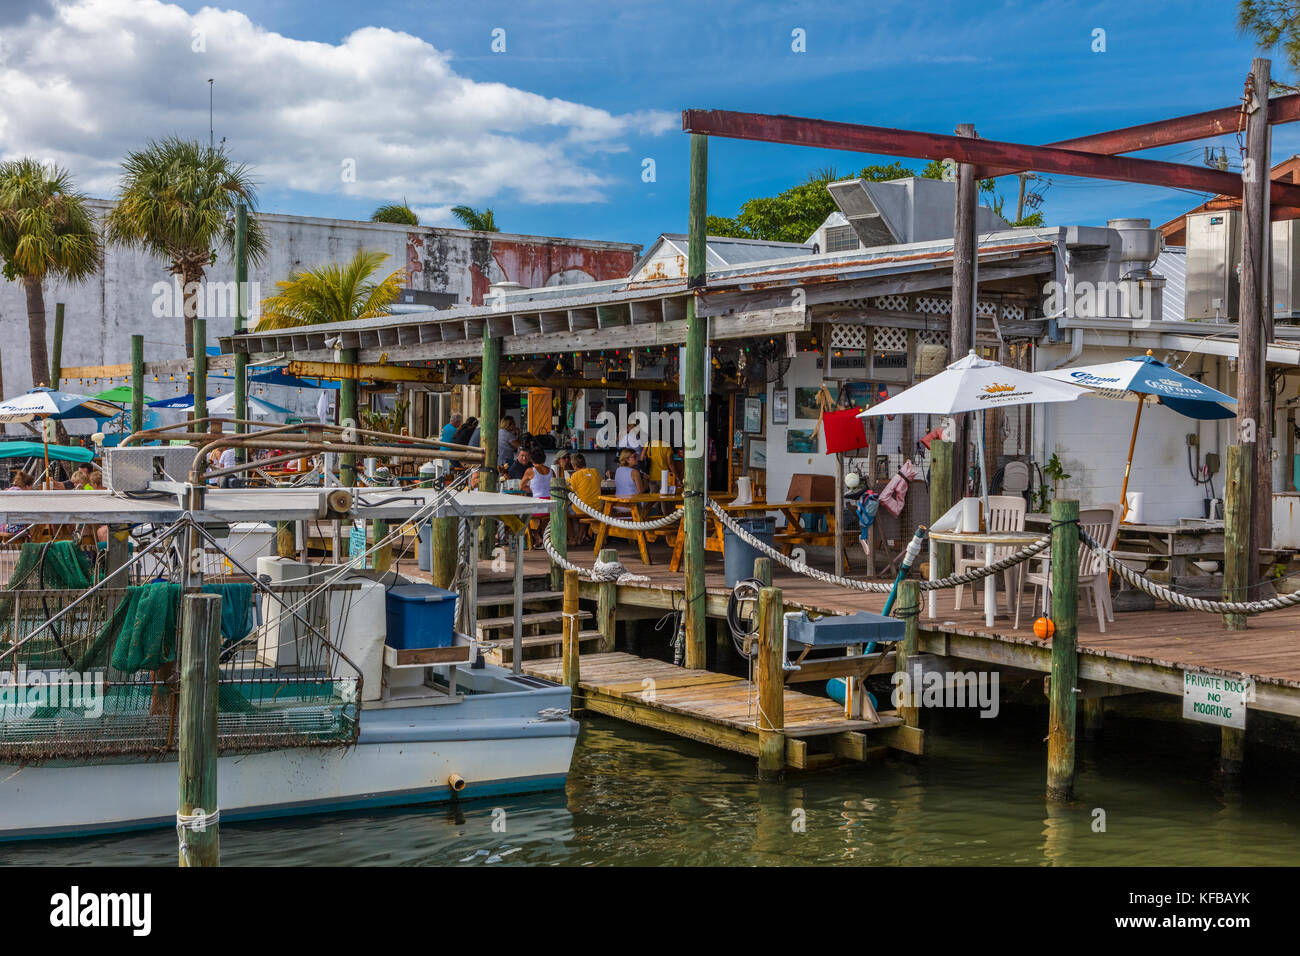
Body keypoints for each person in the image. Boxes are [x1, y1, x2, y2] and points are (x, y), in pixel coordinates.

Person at [566, 453, 601, 544]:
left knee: (564, 513)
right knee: (584, 506)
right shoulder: (595, 471)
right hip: (597, 508)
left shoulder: (575, 475)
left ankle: (572, 538)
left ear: (574, 466)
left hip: (583, 508)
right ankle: (580, 538)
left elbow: (570, 488)